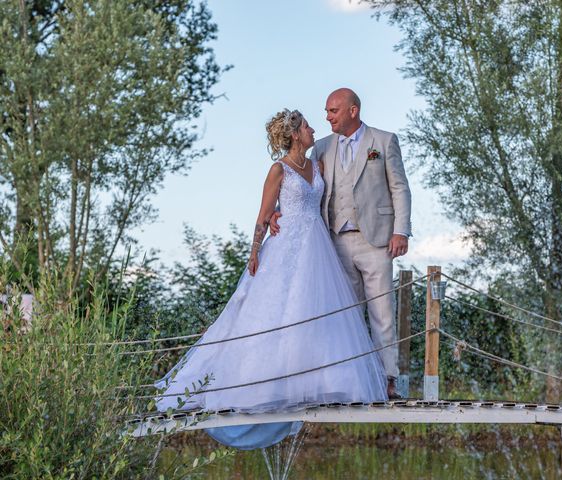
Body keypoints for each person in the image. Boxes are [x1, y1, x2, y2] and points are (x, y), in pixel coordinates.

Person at [153, 109, 388, 450]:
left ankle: (312, 382)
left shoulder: (316, 165)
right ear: (295, 134)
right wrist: (253, 252)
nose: (312, 130)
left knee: (313, 316)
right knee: (275, 312)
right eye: (307, 126)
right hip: (286, 246)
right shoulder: (278, 169)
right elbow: (263, 216)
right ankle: (254, 386)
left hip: (317, 246)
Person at [271, 89, 411, 399]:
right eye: (326, 111)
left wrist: (401, 231)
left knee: (382, 313)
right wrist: (276, 213)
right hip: (333, 241)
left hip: (377, 240)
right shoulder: (321, 147)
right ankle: (353, 379)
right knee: (343, 315)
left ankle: (388, 378)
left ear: (353, 110)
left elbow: (400, 189)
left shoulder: (384, 141)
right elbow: (302, 185)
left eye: (333, 110)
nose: (327, 117)